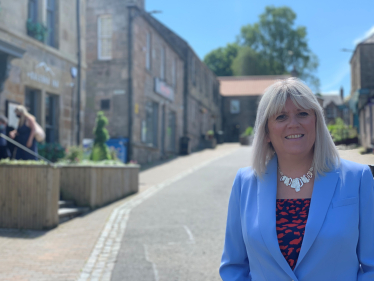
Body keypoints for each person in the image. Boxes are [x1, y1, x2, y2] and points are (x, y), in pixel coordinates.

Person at [219, 78, 374, 281]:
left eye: (303, 114)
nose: (293, 124)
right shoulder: (245, 183)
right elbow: (233, 267)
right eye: (281, 117)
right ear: (266, 132)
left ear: (317, 122)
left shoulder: (358, 178)